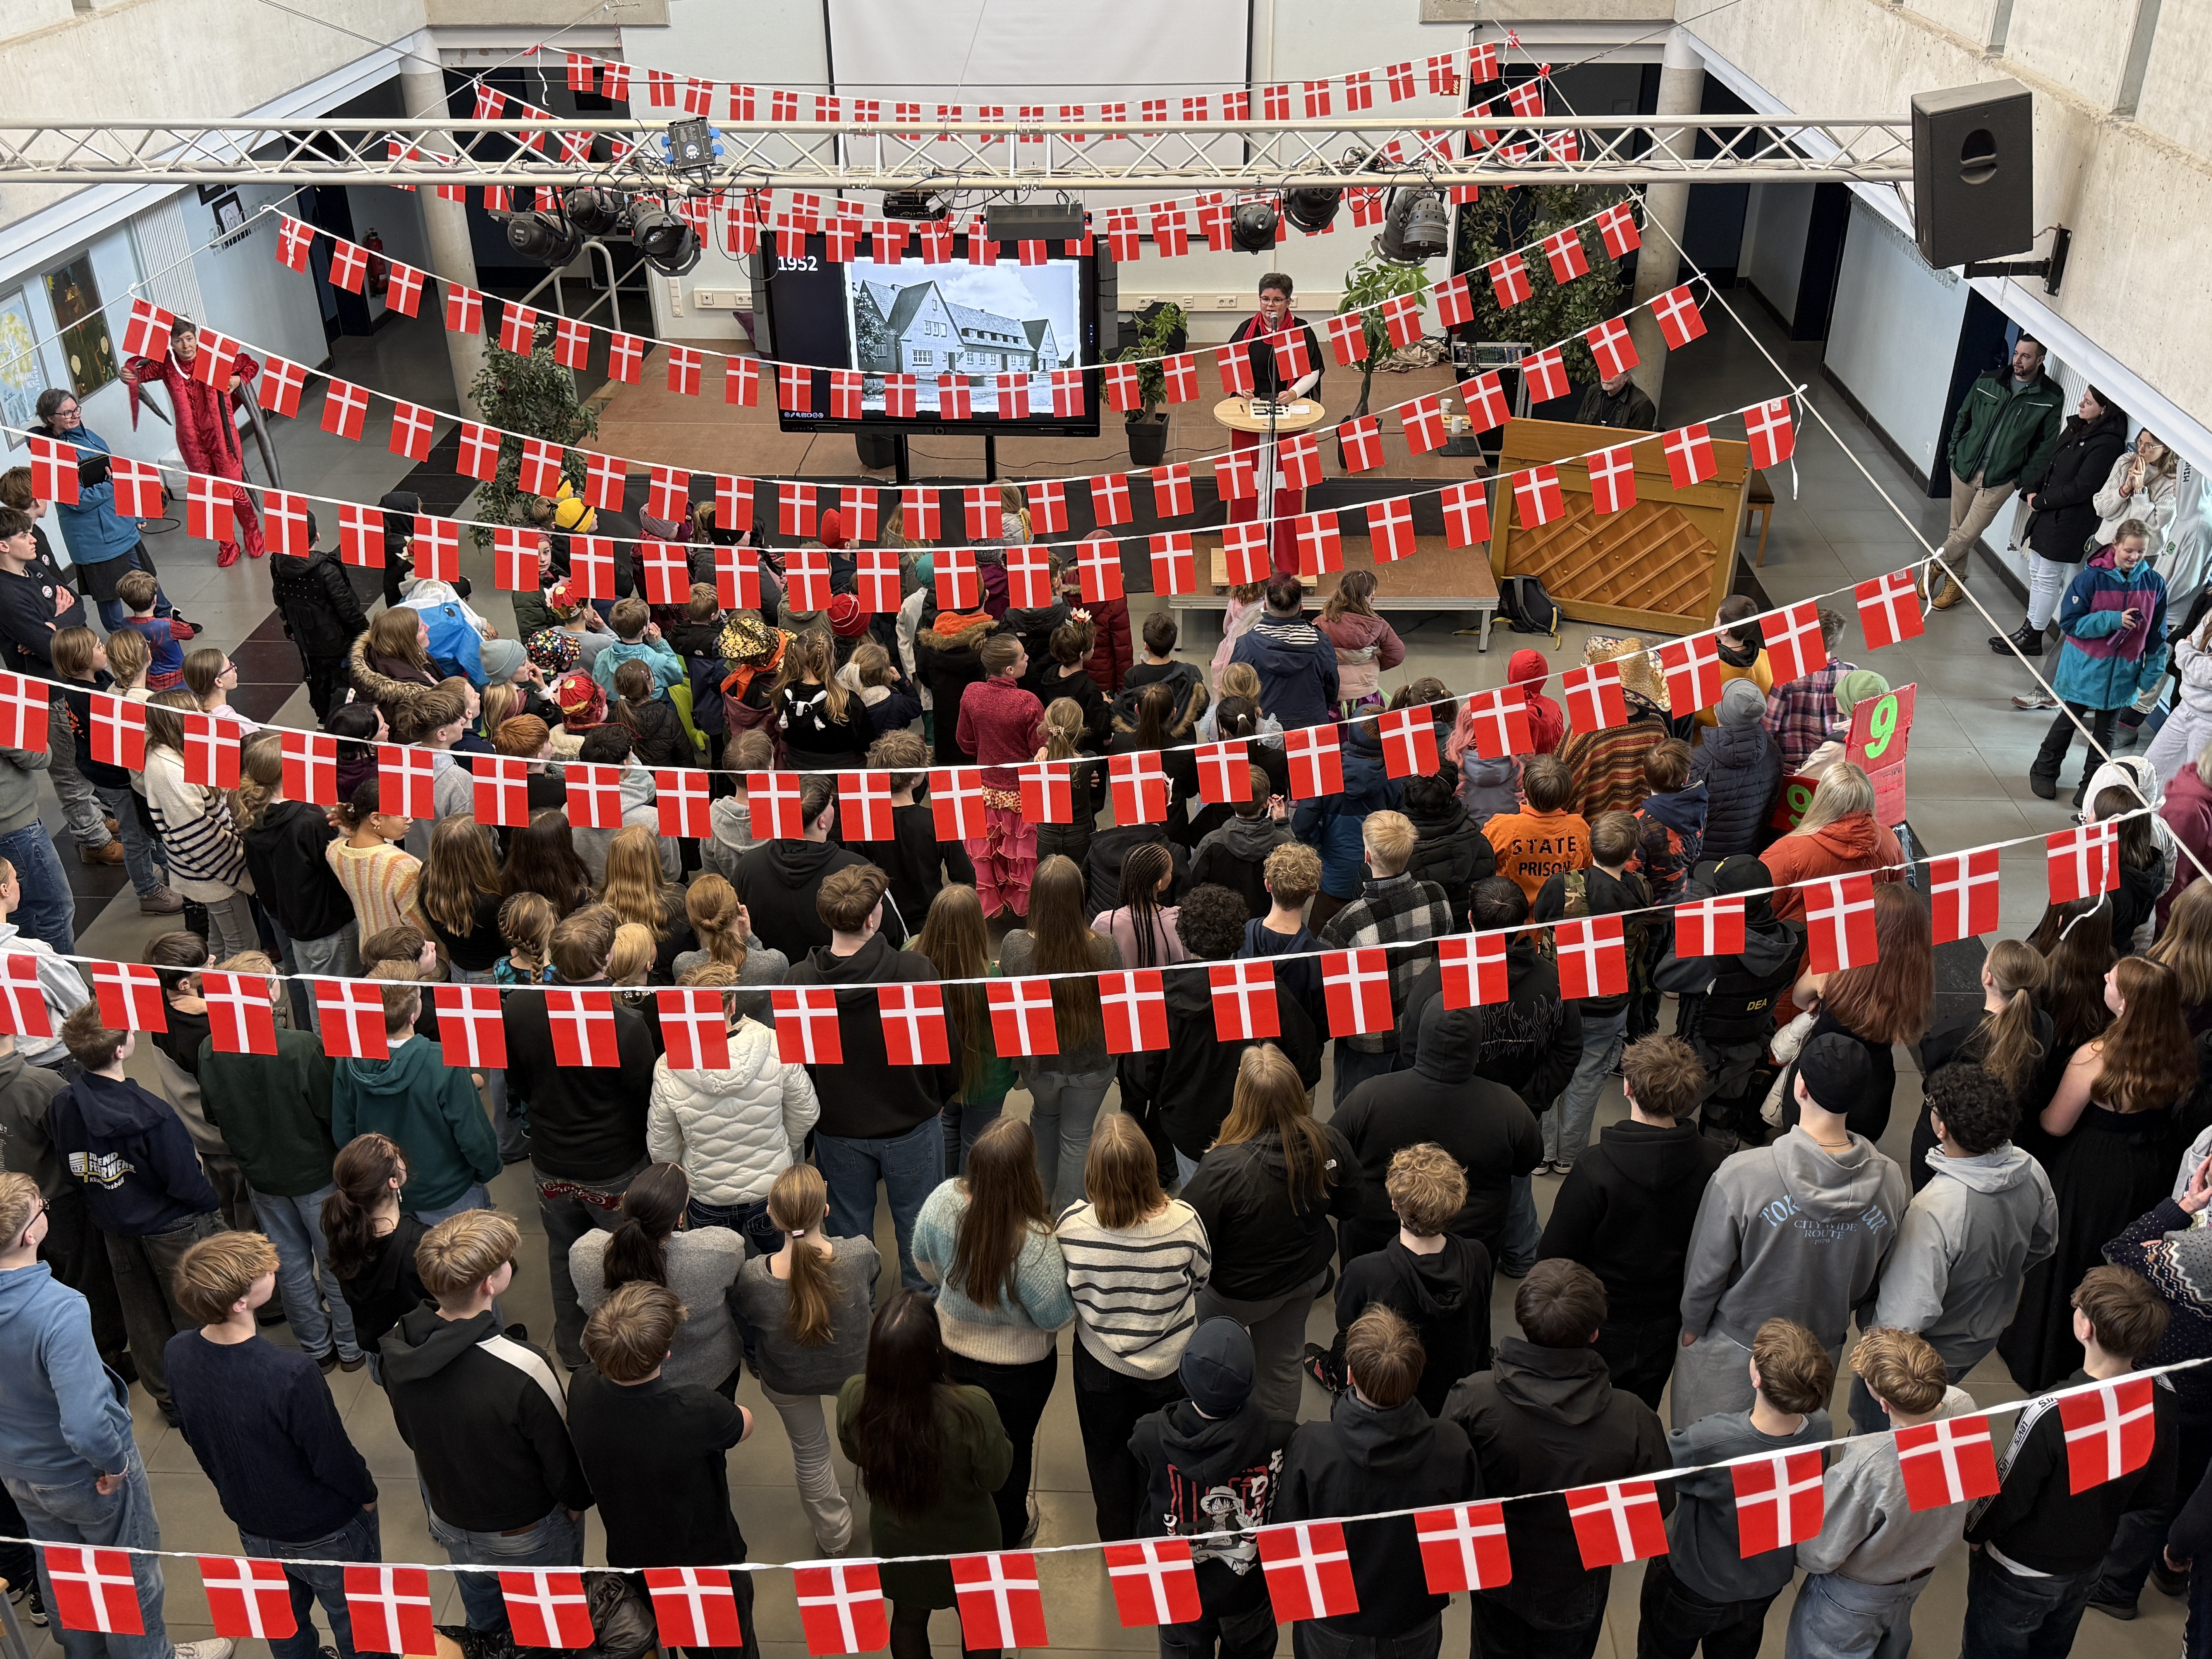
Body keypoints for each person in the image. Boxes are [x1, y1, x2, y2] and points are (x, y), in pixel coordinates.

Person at [0, 1171, 235, 1659]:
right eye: (41, 1208)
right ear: (30, 1235)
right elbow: (86, 1422)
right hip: (83, 1474)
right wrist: (113, 1464)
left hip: (19, 1472)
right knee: (130, 1575)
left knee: (66, 1574)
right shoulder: (58, 1310)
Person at [1673, 1032, 1908, 1429]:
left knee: (1709, 1457)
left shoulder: (1742, 1176)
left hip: (1736, 1347)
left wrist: (1693, 1326)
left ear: (1799, 1087)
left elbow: (1706, 1269)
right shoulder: (1891, 1184)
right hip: (1818, 1352)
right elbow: (1878, 1276)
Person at [163, 1233, 381, 1659]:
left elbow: (197, 1437)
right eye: (262, 1273)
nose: (274, 1269)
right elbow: (331, 1457)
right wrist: (367, 1495)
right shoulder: (291, 1372)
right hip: (326, 1527)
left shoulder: (177, 1353)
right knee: (364, 1626)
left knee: (283, 1627)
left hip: (252, 1522)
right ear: (240, 1303)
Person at [383, 1211, 591, 1648]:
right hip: (524, 1531)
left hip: (451, 1518)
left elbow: (410, 1432)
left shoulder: (398, 1346)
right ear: (489, 1285)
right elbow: (560, 1454)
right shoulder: (524, 1366)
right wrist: (575, 1505)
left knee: (487, 1626)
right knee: (550, 1627)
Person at [1445, 1260, 1672, 1659]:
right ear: (1596, 1333)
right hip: (1575, 1583)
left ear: (1523, 1319)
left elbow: (1447, 1481)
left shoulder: (1474, 1398)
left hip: (1497, 1570)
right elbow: (1659, 1504)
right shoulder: (1633, 1417)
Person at [2002, 955, 2195, 1392]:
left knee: (2069, 1256)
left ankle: (2048, 1353)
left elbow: (2055, 1124)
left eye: (2115, 980)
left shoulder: (2096, 1057)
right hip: (2148, 1168)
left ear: (2125, 1005)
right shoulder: (2178, 1051)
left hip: (2092, 1171)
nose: (2105, 975)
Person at [1965, 1267, 2176, 1654]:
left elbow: (2007, 1492)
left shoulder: (2049, 1410)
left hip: (2019, 1568)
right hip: (2090, 1560)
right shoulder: (2162, 1392)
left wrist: (1975, 1534)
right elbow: (2156, 1491)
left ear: (2086, 1329)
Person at [1857, 1066, 2058, 1435]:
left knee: (1881, 1436)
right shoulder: (2032, 1171)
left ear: (1942, 1129)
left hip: (1923, 1356)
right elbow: (2044, 1244)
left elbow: (1903, 1321)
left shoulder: (1936, 1209)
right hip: (1983, 1333)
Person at [565, 1281, 761, 1659]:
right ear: (666, 1352)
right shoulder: (695, 1409)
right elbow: (745, 1424)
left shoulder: (583, 1388)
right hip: (705, 1568)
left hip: (633, 1556)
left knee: (663, 1639)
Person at [502, 905, 660, 1366]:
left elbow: (518, 1083)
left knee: (562, 1253)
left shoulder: (521, 1008)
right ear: (609, 958)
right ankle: (632, 1350)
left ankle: (572, 1348)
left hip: (550, 1160)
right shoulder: (627, 1026)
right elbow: (643, 1098)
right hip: (614, 1166)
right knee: (626, 1260)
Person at [48, 1002, 219, 1424]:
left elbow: (68, 1165)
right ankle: (205, 1396)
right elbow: (184, 1181)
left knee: (141, 1315)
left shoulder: (63, 1105)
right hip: (172, 1226)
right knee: (193, 1314)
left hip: (113, 1224)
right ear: (123, 1050)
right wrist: (209, 1206)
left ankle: (167, 1396)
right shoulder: (154, 1116)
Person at [1277, 1305, 1481, 1659]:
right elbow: (1467, 1541)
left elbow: (1286, 1534)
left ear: (1351, 1375)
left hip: (1333, 1620)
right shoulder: (1453, 1446)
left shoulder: (1311, 1445)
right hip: (1412, 1617)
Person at [1537, 1034, 1727, 1410]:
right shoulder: (1714, 1163)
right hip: (1665, 1323)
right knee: (1638, 1413)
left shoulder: (1595, 1170)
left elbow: (1554, 1259)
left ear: (1627, 1086)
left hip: (1595, 1322)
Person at [913, 1116, 1073, 1551]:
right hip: (1022, 1373)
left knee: (960, 1442)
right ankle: (1008, 1530)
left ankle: (962, 1523)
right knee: (1014, 1448)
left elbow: (923, 1264)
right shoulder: (1038, 1244)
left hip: (951, 1353)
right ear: (1027, 1171)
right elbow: (1055, 1317)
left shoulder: (944, 1201)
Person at [788, 863, 950, 1288]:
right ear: (873, 917)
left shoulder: (800, 981)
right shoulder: (915, 972)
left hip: (838, 1131)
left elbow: (799, 1068)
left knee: (847, 1244)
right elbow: (944, 1057)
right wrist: (934, 1101)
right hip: (911, 1125)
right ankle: (919, 1331)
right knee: (920, 1242)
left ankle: (858, 1320)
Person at [1182, 1044, 1360, 1424]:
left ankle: (1214, 1429)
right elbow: (1350, 1206)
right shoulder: (1329, 1141)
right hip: (1300, 1282)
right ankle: (1276, 1451)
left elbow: (1190, 1236)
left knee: (1211, 1360)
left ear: (1242, 1100)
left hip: (1233, 1292)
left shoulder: (1223, 1168)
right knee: (1282, 1368)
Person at [1637, 1319, 1835, 1659]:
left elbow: (1655, 1475)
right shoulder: (1821, 1427)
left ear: (1756, 1376)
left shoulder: (1711, 1440)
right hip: (1764, 1582)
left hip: (1696, 1585)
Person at [194, 962, 359, 1371]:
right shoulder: (301, 1046)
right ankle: (353, 1346)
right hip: (316, 1175)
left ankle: (317, 1348)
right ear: (268, 993)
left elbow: (212, 1114)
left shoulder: (211, 1048)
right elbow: (332, 1113)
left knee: (289, 1268)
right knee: (336, 1261)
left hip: (261, 1177)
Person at [1057, 1114, 1212, 1539]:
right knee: (1162, 1456)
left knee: (1106, 1456)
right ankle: (1157, 1532)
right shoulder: (1184, 1221)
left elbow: (1066, 1292)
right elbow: (1201, 1278)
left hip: (1100, 1367)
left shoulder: (1072, 1227)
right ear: (1149, 1168)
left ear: (1092, 1172)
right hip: (1169, 1368)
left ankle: (1116, 1537)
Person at [837, 1291, 1016, 1659]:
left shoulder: (856, 1396)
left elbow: (855, 1454)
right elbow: (995, 1478)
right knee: (982, 1622)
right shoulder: (972, 1408)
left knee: (907, 1619)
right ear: (935, 1349)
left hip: (899, 1541)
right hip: (969, 1541)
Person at [1788, 1329, 1979, 1656]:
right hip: (1917, 1576)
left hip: (1854, 1597)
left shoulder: (1870, 1463)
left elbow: (1820, 1552)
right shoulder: (1963, 1406)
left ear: (1884, 1403)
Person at [731, 1164, 878, 1555]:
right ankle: (889, 1516)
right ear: (825, 1210)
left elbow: (746, 1314)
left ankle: (834, 1537)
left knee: (810, 1455)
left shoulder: (751, 1276)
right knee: (875, 1445)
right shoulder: (859, 1253)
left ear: (772, 1217)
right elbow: (872, 1285)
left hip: (788, 1379)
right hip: (857, 1374)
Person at [1333, 997, 1540, 1271]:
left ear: (1420, 1036)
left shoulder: (1369, 1096)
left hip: (1377, 1243)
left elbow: (1331, 1152)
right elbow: (1529, 1162)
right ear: (1477, 1046)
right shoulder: (1509, 1107)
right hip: (1467, 1248)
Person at [1130, 1318, 1294, 1659]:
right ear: (1250, 1383)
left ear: (1184, 1376)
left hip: (1179, 1586)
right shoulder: (1282, 1436)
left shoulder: (1148, 1435)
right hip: (1249, 1590)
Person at [1310, 1144, 1487, 1417]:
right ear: (1456, 1205)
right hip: (1458, 1395)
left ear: (1395, 1203)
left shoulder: (1364, 1273)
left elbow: (1349, 1331)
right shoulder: (1478, 1256)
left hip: (1391, 1397)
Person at [996, 855, 1123, 1211]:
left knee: (1044, 1118)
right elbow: (1115, 1009)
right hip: (1092, 1063)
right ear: (1078, 898)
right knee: (1078, 1138)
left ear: (1035, 898)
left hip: (1040, 1066)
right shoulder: (1104, 947)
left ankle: (1039, 1202)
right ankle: (1069, 1216)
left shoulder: (1014, 946)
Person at [331, 975, 502, 1228]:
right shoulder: (443, 1062)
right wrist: (487, 1170)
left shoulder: (347, 1061)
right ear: (413, 1015)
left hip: (385, 1197)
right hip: (449, 1194)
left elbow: (344, 1133)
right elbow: (473, 1136)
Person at [1533, 811, 1652, 1171]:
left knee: (1546, 1073)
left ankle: (1541, 1155)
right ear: (1632, 852)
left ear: (1590, 845)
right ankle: (1570, 1158)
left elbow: (1541, 920)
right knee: (1586, 1083)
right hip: (1607, 1004)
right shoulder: (1638, 890)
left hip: (1559, 999)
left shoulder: (1560, 885)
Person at [1317, 809, 1455, 1105]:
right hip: (1419, 1034)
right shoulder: (1437, 897)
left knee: (1356, 1122)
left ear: (1367, 856)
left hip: (1367, 1047)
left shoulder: (1345, 924)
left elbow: (1331, 997)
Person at [566, 1162, 743, 1392]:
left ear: (625, 1201)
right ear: (680, 1217)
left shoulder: (584, 1253)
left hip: (619, 1374)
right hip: (707, 1375)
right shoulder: (721, 1250)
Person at [2032, 520, 2171, 806]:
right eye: (2128, 551)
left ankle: (2092, 784)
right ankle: (2044, 770)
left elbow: (2158, 635)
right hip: (2085, 669)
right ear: (2115, 546)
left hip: (2123, 674)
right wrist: (2113, 620)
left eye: (2141, 553)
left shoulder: (2155, 585)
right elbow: (2071, 624)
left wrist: (2149, 676)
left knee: (2105, 736)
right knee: (2068, 722)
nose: (2134, 558)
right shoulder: (2091, 579)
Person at [1989, 385, 2133, 658]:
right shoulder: (2079, 427)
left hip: (2067, 522)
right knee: (2037, 572)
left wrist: (2042, 501)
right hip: (2048, 513)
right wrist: (2032, 489)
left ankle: (2033, 634)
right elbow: (2050, 462)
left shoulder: (2107, 443)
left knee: (2047, 578)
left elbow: (2083, 487)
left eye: (2088, 402)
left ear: (2105, 409)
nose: (2081, 405)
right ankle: (2028, 627)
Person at [1927, 332, 2066, 609]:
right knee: (1958, 529)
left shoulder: (2050, 397)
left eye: (2026, 356)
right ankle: (1955, 585)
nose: (2018, 360)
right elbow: (1963, 416)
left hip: (2001, 479)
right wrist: (1955, 453)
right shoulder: (1989, 380)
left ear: (2040, 360)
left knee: (1968, 533)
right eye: (2016, 354)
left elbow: (2045, 446)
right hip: (1965, 467)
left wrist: (2019, 480)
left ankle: (1934, 565)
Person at [31, 388, 183, 627]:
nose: (75, 416)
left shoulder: (90, 437)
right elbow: (77, 501)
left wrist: (134, 513)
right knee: (110, 596)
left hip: (121, 526)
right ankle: (126, 643)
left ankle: (167, 622)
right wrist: (112, 486)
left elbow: (116, 474)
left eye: (76, 409)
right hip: (94, 540)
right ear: (50, 418)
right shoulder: (50, 456)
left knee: (146, 580)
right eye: (67, 413)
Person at [1911, 938, 2055, 1188]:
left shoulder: (1957, 1032)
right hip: (2009, 1132)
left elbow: (1932, 1068)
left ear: (1988, 977)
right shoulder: (2043, 1024)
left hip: (1951, 1132)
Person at [140, 690, 256, 956]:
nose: (204, 716)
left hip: (207, 871)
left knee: (218, 942)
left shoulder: (175, 753)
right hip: (214, 874)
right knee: (243, 946)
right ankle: (235, 994)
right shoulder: (170, 771)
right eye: (196, 712)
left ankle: (208, 987)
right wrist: (241, 867)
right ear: (178, 721)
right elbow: (198, 835)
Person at [1224, 274, 1325, 575]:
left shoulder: (1301, 331)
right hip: (1253, 414)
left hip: (1288, 409)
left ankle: (1284, 552)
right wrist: (1242, 387)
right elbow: (1232, 362)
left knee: (1286, 485)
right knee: (1249, 484)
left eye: (1277, 300)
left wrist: (1294, 393)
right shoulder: (1247, 330)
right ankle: (1248, 554)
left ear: (1288, 302)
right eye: (1266, 300)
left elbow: (1315, 369)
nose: (1270, 306)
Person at [914, 883, 1016, 1175]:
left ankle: (945, 1197)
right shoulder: (993, 976)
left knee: (946, 1129)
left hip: (937, 1073)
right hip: (987, 1080)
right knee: (977, 1142)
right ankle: (968, 1205)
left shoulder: (912, 955)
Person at [733, 772, 885, 959]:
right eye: (831, 804)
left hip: (773, 980)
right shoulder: (858, 869)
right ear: (822, 821)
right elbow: (888, 931)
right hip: (841, 978)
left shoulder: (747, 867)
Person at [317, 1133, 432, 1367]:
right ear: (394, 1182)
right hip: (427, 1356)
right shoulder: (422, 1245)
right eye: (396, 1155)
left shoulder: (342, 1236)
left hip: (382, 1359)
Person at [956, 631, 1047, 918]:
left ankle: (995, 902)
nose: (1028, 658)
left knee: (989, 852)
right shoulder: (1028, 702)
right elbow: (1040, 747)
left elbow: (965, 743)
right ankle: (1025, 908)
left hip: (984, 788)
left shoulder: (972, 693)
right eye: (1023, 656)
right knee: (1022, 856)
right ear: (1010, 669)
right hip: (1022, 793)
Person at [1558, 637, 1673, 819]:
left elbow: (1563, 775)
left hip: (1594, 827)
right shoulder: (1656, 726)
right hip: (1637, 822)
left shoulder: (1588, 726)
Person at [268, 513, 368, 719]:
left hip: (305, 637)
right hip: (337, 639)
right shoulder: (326, 569)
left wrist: (291, 628)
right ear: (317, 537)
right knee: (343, 681)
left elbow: (280, 600)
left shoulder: (277, 564)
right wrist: (367, 632)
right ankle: (346, 720)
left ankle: (323, 715)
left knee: (318, 677)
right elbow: (347, 610)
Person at [1690, 678, 1785, 863]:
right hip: (1748, 857)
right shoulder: (1772, 749)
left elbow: (1686, 825)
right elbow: (1772, 806)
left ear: (1719, 712)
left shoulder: (1698, 762)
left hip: (1703, 864)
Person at [1230, 573, 1338, 729]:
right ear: (1302, 608)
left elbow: (1236, 692)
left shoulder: (1245, 645)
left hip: (1263, 728)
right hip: (1312, 729)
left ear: (1265, 606)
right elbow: (1332, 688)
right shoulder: (1322, 643)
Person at [1482, 753, 1590, 905]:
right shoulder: (1580, 829)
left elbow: (1482, 867)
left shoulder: (1500, 828)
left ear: (1524, 792)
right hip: (1562, 919)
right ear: (1567, 795)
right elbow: (1590, 869)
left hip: (1513, 919)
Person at [1763, 607, 1856, 769]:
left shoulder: (1787, 677)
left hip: (1790, 768)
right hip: (1834, 767)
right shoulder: (1852, 674)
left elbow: (1768, 727)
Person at [1314, 570, 1405, 716]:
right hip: (1366, 695)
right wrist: (1375, 663)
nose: (1374, 597)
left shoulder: (1321, 622)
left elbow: (1313, 655)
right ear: (1367, 598)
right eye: (1372, 593)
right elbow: (1397, 654)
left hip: (1332, 696)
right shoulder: (1379, 626)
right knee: (1367, 733)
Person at [1575, 362, 1657, 430]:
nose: (1607, 377)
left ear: (1626, 377)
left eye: (1613, 373)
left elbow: (1639, 444)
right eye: (1604, 371)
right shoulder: (1593, 391)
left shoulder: (1641, 404)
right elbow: (1577, 429)